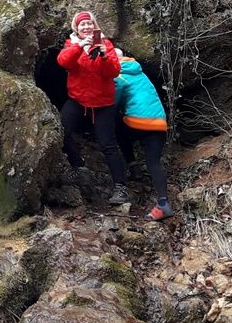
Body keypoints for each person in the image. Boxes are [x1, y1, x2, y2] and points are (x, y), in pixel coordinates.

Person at [57, 11, 130, 204]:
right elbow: (63, 62)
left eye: (89, 24)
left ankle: (121, 188)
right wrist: (80, 46)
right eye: (82, 25)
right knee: (61, 132)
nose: (87, 27)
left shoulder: (105, 44)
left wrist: (104, 55)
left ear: (95, 26)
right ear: (76, 29)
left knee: (108, 144)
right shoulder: (71, 44)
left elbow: (114, 72)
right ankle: (79, 168)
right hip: (78, 100)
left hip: (102, 103)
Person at [114, 49, 173, 220]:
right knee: (154, 162)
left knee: (118, 128)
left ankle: (133, 165)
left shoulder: (118, 74)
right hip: (160, 123)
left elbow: (115, 101)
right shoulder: (138, 70)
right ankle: (163, 204)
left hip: (138, 122)